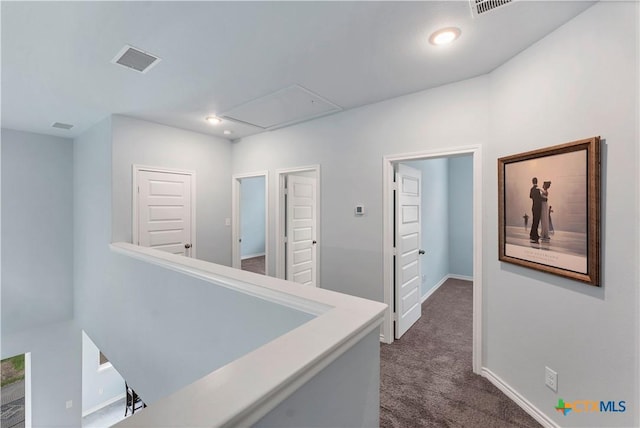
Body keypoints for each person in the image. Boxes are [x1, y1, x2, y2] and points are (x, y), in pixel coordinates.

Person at [529, 177, 543, 243]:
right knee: (536, 221)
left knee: (534, 220)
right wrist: (544, 199)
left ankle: (533, 233)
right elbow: (540, 198)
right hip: (538, 207)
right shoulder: (537, 189)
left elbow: (530, 196)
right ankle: (534, 234)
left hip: (534, 206)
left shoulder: (532, 189)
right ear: (537, 181)